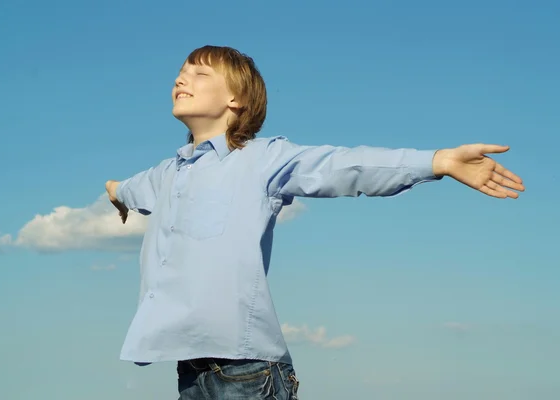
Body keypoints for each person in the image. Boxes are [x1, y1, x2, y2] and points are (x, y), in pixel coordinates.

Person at [105, 45, 524, 400]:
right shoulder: (166, 174)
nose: (182, 80)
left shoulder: (263, 158)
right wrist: (115, 191)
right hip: (189, 372)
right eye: (180, 73)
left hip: (247, 371)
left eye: (198, 73)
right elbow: (128, 187)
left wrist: (438, 161)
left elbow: (346, 165)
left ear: (236, 100)